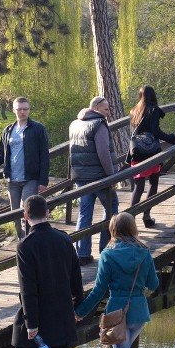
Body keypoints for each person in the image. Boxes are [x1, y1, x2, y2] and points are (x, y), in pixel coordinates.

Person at [0, 195, 83, 348]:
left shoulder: (26, 245)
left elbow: (28, 288)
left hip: (36, 315)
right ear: (48, 213)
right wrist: (78, 306)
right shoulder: (65, 240)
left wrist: (31, 323)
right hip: (61, 313)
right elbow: (76, 278)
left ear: (25, 216)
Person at [74, 212, 159, 348]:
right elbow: (154, 284)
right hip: (138, 312)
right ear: (133, 228)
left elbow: (98, 290)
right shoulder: (144, 253)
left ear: (113, 230)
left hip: (116, 314)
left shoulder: (108, 255)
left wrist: (80, 312)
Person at [127, 85, 175, 228]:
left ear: (140, 95)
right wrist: (174, 138)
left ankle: (129, 221)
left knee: (138, 187)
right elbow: (155, 131)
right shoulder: (153, 110)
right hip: (151, 152)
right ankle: (146, 216)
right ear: (153, 96)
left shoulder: (134, 110)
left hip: (137, 151)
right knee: (153, 183)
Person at [69, 96, 119, 265]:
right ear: (96, 108)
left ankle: (82, 253)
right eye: (106, 109)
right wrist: (111, 176)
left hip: (81, 177)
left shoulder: (75, 124)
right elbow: (103, 152)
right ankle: (106, 248)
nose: (108, 112)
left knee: (84, 213)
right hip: (99, 177)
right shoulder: (99, 124)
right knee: (112, 208)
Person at [0, 97, 50, 240]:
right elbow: (1, 153)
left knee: (27, 210)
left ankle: (30, 240)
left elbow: (44, 155)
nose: (22, 112)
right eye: (19, 109)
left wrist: (43, 180)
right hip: (12, 178)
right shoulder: (8, 130)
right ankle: (22, 240)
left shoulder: (38, 129)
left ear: (29, 110)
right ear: (14, 110)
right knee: (15, 213)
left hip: (31, 178)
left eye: (25, 109)